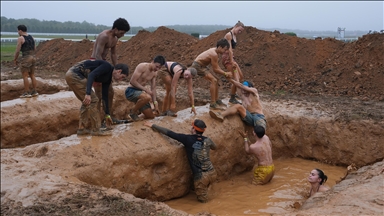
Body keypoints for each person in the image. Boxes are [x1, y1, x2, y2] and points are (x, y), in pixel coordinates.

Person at [143, 119, 217, 203]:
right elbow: (215, 147)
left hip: (201, 176)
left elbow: (169, 133)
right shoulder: (207, 140)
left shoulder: (187, 139)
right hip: (212, 172)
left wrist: (153, 125)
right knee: (209, 193)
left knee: (203, 201)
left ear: (193, 129)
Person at [65, 59, 129, 136]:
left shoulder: (108, 78)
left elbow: (105, 96)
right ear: (119, 71)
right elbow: (91, 75)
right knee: (94, 100)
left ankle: (81, 129)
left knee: (86, 102)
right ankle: (96, 129)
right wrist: (88, 93)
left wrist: (107, 115)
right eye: (122, 77)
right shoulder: (107, 67)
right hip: (75, 75)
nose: (120, 80)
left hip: (71, 75)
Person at [91, 18, 130, 124]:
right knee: (99, 96)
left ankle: (108, 117)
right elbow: (98, 55)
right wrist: (106, 70)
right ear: (116, 29)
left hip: (103, 63)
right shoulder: (104, 36)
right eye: (122, 32)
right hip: (96, 64)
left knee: (110, 92)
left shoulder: (115, 39)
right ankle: (97, 123)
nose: (123, 35)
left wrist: (116, 68)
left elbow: (113, 54)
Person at [190, 38, 233, 109]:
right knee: (214, 80)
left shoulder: (216, 52)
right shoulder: (214, 54)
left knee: (217, 79)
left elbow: (217, 66)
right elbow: (215, 69)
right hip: (198, 66)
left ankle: (217, 100)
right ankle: (213, 103)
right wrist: (225, 73)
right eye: (224, 49)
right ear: (219, 47)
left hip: (203, 66)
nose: (225, 51)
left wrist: (225, 73)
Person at [125, 55, 166, 121]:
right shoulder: (142, 66)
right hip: (131, 91)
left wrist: (155, 103)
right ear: (152, 62)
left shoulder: (154, 73)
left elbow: (153, 88)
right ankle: (132, 112)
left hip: (141, 94)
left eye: (159, 68)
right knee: (147, 97)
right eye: (157, 66)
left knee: (151, 116)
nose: (157, 69)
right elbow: (132, 81)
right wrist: (146, 89)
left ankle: (131, 119)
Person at [222, 21, 245, 104]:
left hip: (232, 58)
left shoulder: (235, 35)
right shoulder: (229, 35)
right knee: (236, 79)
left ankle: (233, 93)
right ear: (236, 26)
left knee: (241, 77)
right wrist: (232, 61)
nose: (240, 32)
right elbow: (230, 50)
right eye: (239, 30)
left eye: (241, 31)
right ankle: (232, 97)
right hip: (227, 58)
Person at [14, 24, 38, 98]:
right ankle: (34, 91)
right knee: (32, 75)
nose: (18, 32)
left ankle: (27, 92)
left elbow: (17, 50)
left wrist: (15, 59)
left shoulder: (21, 38)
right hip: (33, 57)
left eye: (18, 30)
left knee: (25, 76)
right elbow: (35, 49)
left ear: (20, 30)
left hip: (26, 57)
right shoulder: (32, 37)